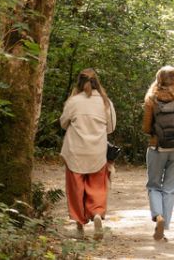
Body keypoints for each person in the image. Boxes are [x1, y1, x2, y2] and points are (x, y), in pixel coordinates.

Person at [141, 65, 174, 242]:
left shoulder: (151, 98)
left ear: (158, 79)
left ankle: (158, 216)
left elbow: (146, 127)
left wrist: (156, 134)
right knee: (170, 189)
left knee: (153, 185)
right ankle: (163, 227)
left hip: (157, 148)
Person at [59, 68, 115, 239]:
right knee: (97, 187)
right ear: (97, 82)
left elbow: (63, 123)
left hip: (75, 151)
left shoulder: (74, 101)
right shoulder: (106, 103)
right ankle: (97, 215)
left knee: (76, 189)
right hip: (97, 152)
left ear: (79, 82)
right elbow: (111, 127)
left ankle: (79, 227)